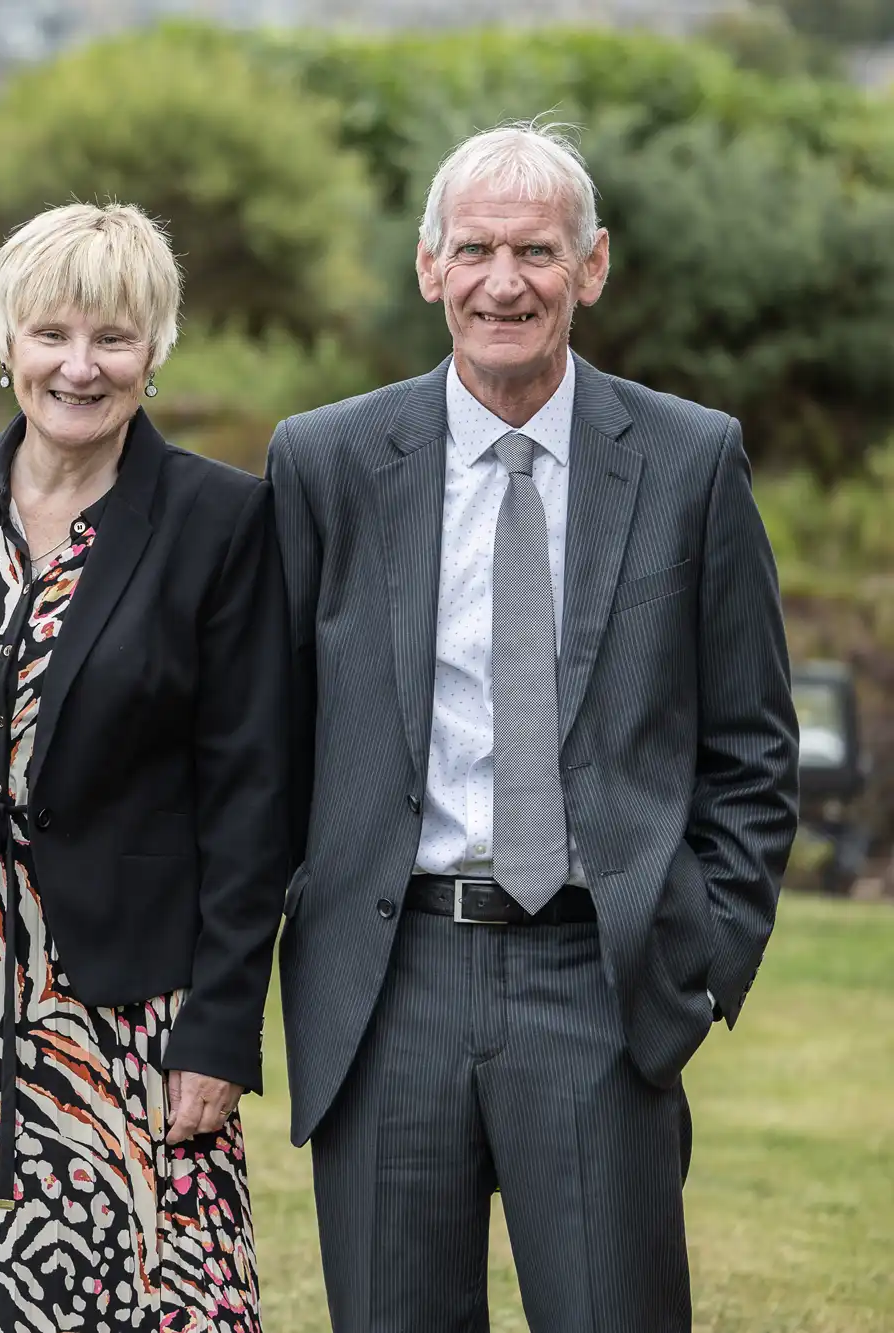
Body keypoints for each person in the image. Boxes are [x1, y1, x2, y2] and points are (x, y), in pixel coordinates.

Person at [267, 122, 799, 1331]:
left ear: (591, 265)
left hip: (595, 978)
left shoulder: (686, 460)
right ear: (427, 267)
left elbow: (753, 746)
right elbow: (270, 738)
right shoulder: (325, 461)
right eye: (474, 249)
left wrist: (699, 953)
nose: (502, 282)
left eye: (535, 251)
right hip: (388, 979)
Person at [0, 202, 293, 1332]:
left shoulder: (219, 520)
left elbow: (252, 798)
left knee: (105, 1293)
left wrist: (220, 1029)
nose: (78, 367)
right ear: (4, 340)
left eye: (112, 339)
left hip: (115, 1002)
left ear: (153, 350)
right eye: (50, 334)